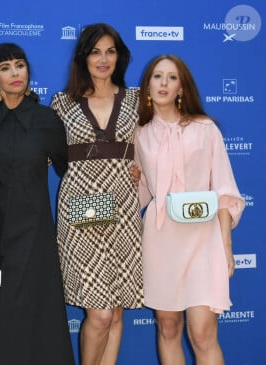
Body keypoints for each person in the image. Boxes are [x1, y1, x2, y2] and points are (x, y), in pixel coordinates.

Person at [134, 54, 244, 364]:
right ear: (147, 85)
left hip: (202, 238)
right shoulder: (139, 134)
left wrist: (226, 247)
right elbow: (140, 194)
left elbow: (223, 190)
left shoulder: (205, 128)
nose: (164, 83)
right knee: (168, 328)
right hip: (161, 238)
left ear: (182, 87)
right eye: (157, 76)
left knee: (203, 333)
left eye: (171, 77)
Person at [50, 23, 144, 365]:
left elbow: (153, 147)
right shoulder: (62, 102)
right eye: (95, 51)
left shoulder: (135, 99)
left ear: (119, 56)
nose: (103, 59)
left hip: (123, 207)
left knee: (117, 312)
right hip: (82, 207)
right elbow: (49, 154)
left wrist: (143, 170)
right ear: (83, 56)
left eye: (110, 51)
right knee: (100, 313)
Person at [0, 42, 75, 365]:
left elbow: (70, 168)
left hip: (36, 237)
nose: (14, 72)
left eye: (19, 65)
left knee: (39, 318)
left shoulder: (48, 120)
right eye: (5, 68)